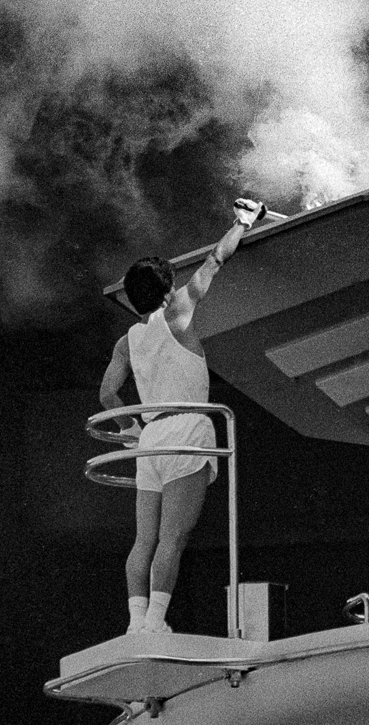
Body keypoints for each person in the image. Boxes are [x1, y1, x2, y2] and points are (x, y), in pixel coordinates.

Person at [99, 197, 266, 633]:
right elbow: (215, 261)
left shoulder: (126, 342)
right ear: (168, 290)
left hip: (152, 439)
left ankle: (138, 623)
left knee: (145, 540)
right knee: (174, 539)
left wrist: (130, 430)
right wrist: (243, 222)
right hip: (188, 429)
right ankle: (155, 621)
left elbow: (107, 395)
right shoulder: (179, 311)